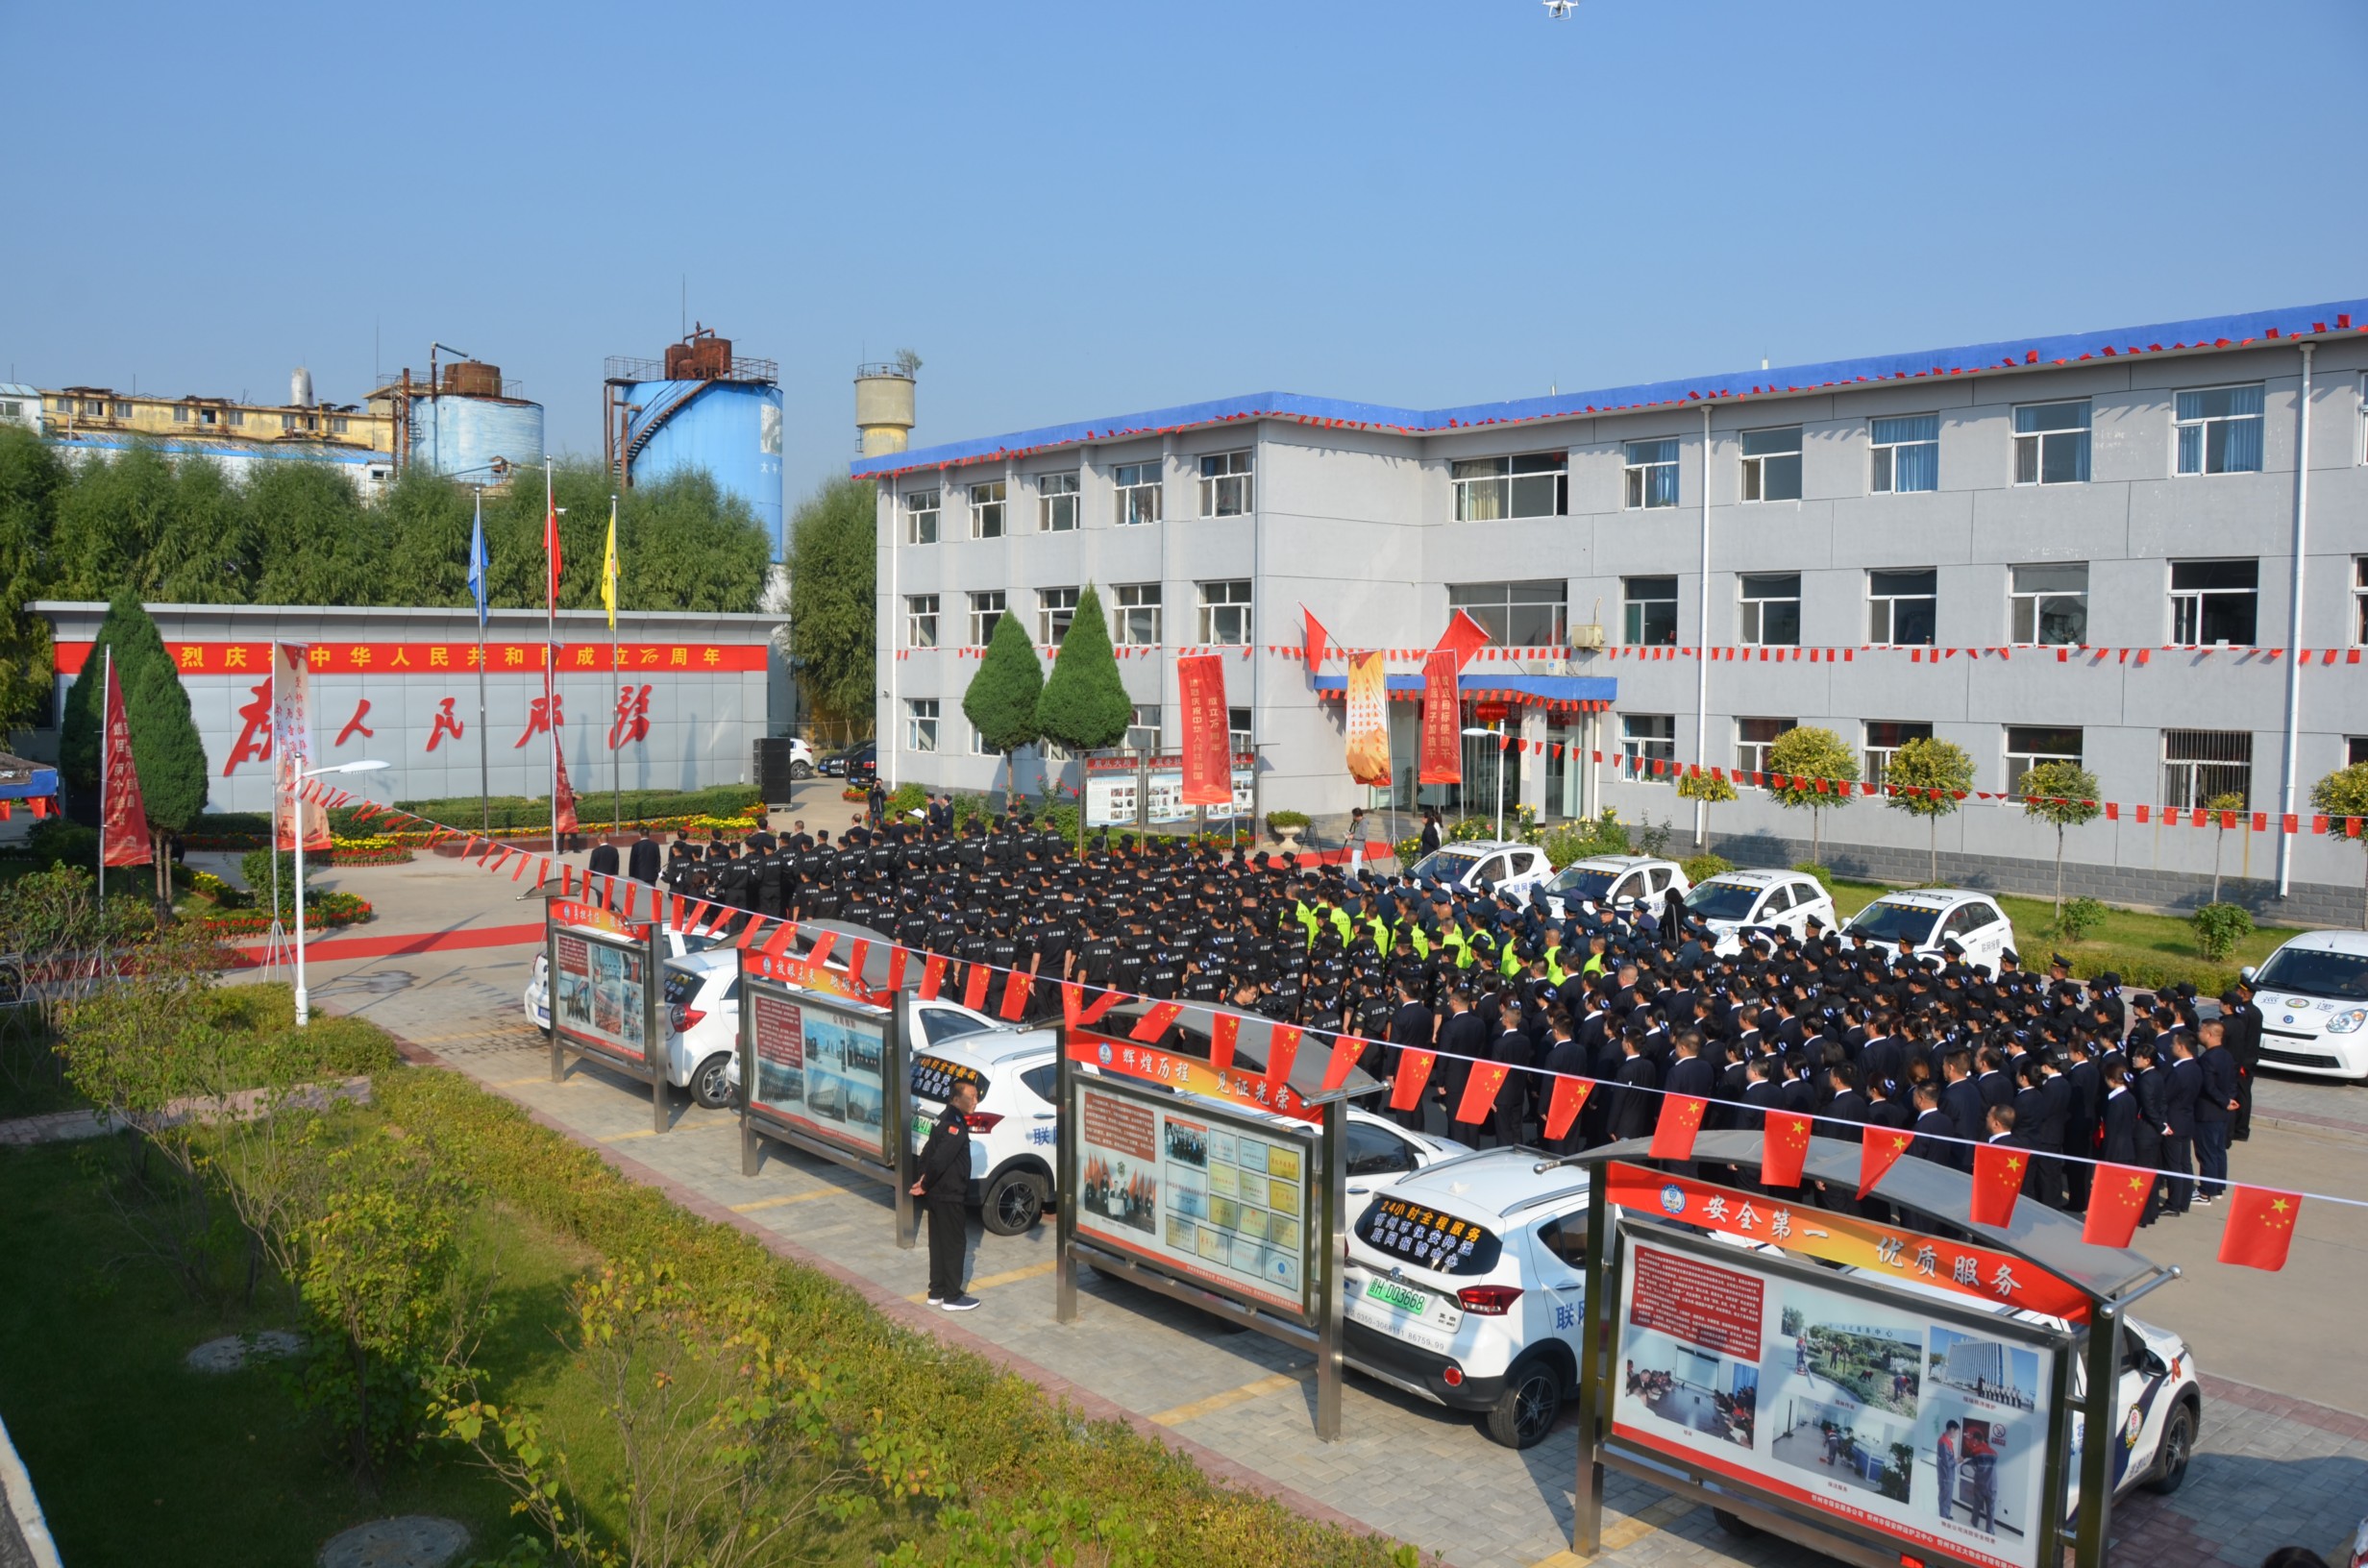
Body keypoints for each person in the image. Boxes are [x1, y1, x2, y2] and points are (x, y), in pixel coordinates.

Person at [912, 1077, 980, 1311]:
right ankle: (952, 1297)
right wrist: (925, 1182)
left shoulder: (944, 1118)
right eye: (971, 1097)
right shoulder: (955, 1126)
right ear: (956, 1098)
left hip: (937, 1193)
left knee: (939, 1243)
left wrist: (923, 1178)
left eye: (976, 1096)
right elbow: (939, 1158)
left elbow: (927, 1152)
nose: (975, 1101)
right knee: (953, 1244)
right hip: (949, 1194)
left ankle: (937, 1292)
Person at [1936, 1419, 1960, 1522]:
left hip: (1947, 1475)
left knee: (1947, 1498)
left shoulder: (1947, 1441)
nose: (1957, 1435)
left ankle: (1946, 1515)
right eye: (1957, 1432)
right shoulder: (1944, 1442)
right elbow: (1948, 1463)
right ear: (1952, 1429)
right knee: (1945, 1498)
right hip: (1945, 1476)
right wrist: (1958, 1460)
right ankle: (1943, 1519)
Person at [1346, 807, 1369, 882]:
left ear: (1357, 816)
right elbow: (1358, 832)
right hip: (1357, 845)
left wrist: (1353, 836)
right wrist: (1352, 833)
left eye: (1353, 816)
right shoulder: (1359, 823)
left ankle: (1358, 879)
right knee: (1358, 863)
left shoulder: (1363, 823)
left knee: (1354, 864)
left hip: (1358, 845)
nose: (1353, 817)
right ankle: (1361, 878)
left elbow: (1363, 835)